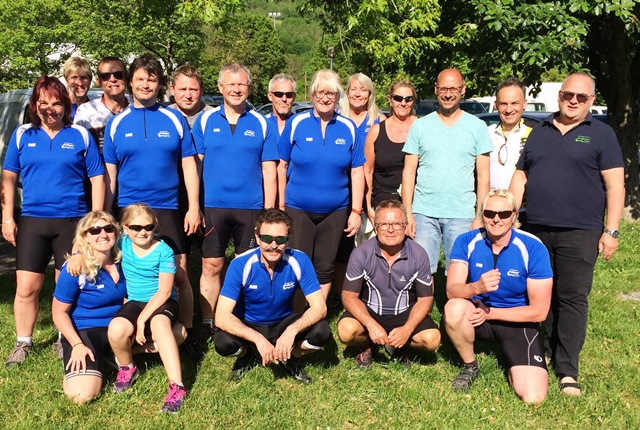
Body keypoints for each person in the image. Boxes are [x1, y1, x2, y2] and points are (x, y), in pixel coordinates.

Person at [510, 72, 625, 396]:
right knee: (540, 293)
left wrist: (611, 230)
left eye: (581, 97)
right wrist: (509, 212)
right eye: (567, 95)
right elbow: (522, 175)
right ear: (559, 95)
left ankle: (567, 369)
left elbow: (616, 185)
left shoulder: (602, 134)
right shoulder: (539, 131)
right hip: (535, 229)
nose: (573, 101)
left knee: (572, 298)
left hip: (580, 231)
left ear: (591, 101)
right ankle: (542, 351)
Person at [2, 76, 104, 368]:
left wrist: (92, 223)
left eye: (57, 103)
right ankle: (23, 341)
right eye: (43, 103)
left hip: (71, 222)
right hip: (33, 220)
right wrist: (7, 217)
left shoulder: (80, 136)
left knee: (67, 286)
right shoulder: (23, 134)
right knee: (26, 288)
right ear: (35, 105)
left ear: (66, 105)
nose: (50, 109)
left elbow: (97, 179)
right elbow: (8, 178)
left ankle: (64, 338)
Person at [102, 53, 199, 343]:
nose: (146, 85)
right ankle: (128, 331)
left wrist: (193, 207)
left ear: (160, 85)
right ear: (130, 82)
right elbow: (110, 174)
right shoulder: (116, 123)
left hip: (167, 207)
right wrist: (105, 216)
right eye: (140, 79)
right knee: (127, 273)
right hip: (129, 209)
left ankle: (186, 330)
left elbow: (189, 165)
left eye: (152, 80)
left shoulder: (174, 118)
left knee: (180, 274)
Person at [193, 62, 278, 339]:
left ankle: (242, 319)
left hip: (251, 208)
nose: (236, 89)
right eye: (230, 84)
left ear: (249, 88)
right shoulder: (206, 121)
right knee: (211, 265)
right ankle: (208, 322)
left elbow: (269, 169)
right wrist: (194, 204)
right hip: (214, 206)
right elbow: (195, 165)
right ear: (220, 88)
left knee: (247, 266)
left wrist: (269, 212)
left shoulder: (262, 123)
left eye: (241, 84)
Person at [444, 190, 553, 404]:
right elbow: (452, 290)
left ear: (514, 216)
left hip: (517, 320)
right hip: (476, 315)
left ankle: (515, 360)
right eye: (490, 213)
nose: (496, 219)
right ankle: (470, 365)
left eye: (504, 214)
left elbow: (539, 312)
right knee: (454, 308)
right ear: (482, 214)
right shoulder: (466, 241)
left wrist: (491, 313)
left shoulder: (532, 247)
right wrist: (476, 287)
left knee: (533, 397)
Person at [214, 209, 331, 383]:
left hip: (282, 322)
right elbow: (221, 317)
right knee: (222, 342)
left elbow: (320, 307)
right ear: (257, 236)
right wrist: (257, 339)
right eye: (267, 238)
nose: (273, 245)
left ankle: (290, 356)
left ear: (288, 238)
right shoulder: (240, 264)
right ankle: (246, 355)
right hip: (250, 323)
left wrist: (291, 331)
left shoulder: (299, 260)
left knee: (323, 331)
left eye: (280, 239)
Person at [278, 69, 365, 300]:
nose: (325, 98)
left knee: (325, 267)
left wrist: (356, 211)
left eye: (331, 93)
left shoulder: (349, 128)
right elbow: (281, 166)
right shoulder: (296, 123)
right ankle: (296, 315)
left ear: (338, 96)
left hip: (336, 211)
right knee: (297, 264)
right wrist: (280, 206)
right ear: (312, 94)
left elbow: (357, 172)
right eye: (320, 93)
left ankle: (317, 315)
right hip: (298, 208)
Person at [402, 68, 492, 274]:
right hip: (423, 212)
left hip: (462, 213)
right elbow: (408, 173)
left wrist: (480, 216)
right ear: (436, 89)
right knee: (421, 272)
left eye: (453, 88)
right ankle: (423, 307)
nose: (448, 94)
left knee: (458, 273)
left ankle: (454, 307)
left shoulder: (477, 127)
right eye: (443, 88)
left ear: (463, 90)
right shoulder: (420, 126)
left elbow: (484, 177)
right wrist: (408, 213)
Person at [337, 200, 440, 368]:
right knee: (346, 331)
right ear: (375, 227)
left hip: (405, 313)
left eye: (397, 224)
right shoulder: (360, 253)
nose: (390, 229)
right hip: (370, 311)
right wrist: (371, 325)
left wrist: (407, 329)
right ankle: (367, 344)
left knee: (431, 340)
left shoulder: (419, 254)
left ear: (405, 226)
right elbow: (349, 296)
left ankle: (401, 346)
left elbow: (425, 299)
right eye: (384, 224)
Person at [107, 203, 187, 413]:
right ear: (125, 228)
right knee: (116, 329)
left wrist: (142, 320)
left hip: (163, 300)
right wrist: (79, 255)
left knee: (160, 324)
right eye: (136, 227)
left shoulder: (163, 251)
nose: (143, 232)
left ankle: (177, 387)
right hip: (135, 300)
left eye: (148, 227)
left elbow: (165, 292)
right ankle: (128, 367)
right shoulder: (122, 243)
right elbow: (93, 244)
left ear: (155, 227)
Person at [52, 211, 125, 404]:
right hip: (85, 330)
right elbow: (58, 313)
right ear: (85, 237)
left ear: (116, 232)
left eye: (108, 229)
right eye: (95, 230)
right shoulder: (75, 268)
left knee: (178, 333)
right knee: (82, 395)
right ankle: (88, 361)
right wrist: (76, 345)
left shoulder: (125, 261)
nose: (103, 234)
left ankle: (112, 354)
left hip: (120, 328)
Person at [364, 79, 418, 223]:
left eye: (408, 99)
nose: (403, 103)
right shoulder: (376, 131)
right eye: (398, 98)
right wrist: (368, 205)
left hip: (416, 205)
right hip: (383, 203)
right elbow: (367, 171)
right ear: (390, 99)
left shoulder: (421, 128)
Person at [489, 76, 535, 191]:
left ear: (524, 104)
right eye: (503, 104)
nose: (509, 110)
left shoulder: (535, 134)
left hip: (524, 207)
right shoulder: (486, 132)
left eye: (514, 103)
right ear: (496, 105)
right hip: (491, 205)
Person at [74, 56, 129, 152]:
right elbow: (77, 151)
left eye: (118, 75)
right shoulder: (85, 111)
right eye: (105, 76)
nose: (112, 79)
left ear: (126, 78)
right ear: (99, 82)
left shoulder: (138, 109)